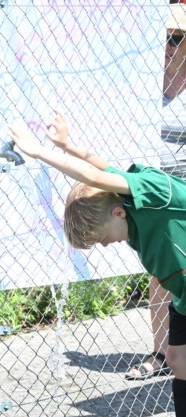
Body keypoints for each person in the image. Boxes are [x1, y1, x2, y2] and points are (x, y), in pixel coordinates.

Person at [8, 111, 186, 417]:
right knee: (177, 359)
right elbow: (101, 169)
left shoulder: (154, 192)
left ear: (117, 212)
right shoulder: (125, 199)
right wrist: (68, 145)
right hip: (183, 294)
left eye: (102, 237)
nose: (104, 245)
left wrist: (39, 152)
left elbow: (95, 177)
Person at [126, 3, 186, 380]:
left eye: (176, 39)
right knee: (160, 269)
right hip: (155, 187)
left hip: (185, 188)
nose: (167, 45)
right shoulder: (144, 81)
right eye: (163, 37)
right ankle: (161, 351)